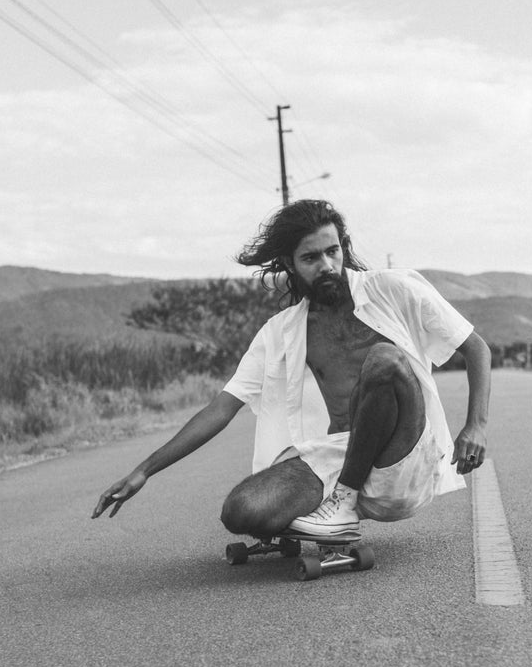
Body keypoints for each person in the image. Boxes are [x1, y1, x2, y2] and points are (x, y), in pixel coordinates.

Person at [92, 199, 490, 539]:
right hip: (339, 454)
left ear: (343, 248)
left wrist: (475, 426)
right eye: (311, 258)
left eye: (332, 251)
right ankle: (325, 512)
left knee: (384, 359)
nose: (327, 265)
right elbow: (222, 406)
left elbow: (475, 348)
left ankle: (342, 503)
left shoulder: (394, 289)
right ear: (290, 264)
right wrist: (144, 471)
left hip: (402, 456)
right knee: (242, 511)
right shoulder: (280, 333)